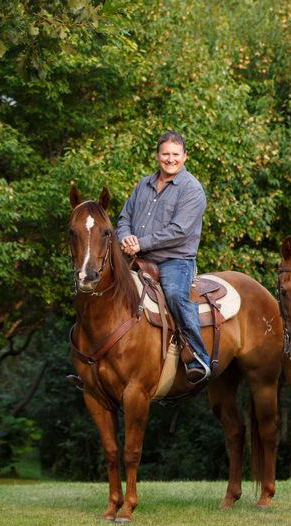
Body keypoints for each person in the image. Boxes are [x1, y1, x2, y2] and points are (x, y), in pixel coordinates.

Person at [116, 131, 211, 384]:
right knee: (102, 287)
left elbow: (179, 231)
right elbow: (124, 218)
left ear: (185, 156)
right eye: (165, 154)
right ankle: (93, 359)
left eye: (175, 154)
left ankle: (198, 358)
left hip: (174, 260)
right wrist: (125, 237)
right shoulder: (143, 185)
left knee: (175, 296)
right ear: (157, 156)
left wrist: (140, 243)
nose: (170, 159)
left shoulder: (192, 189)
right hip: (136, 257)